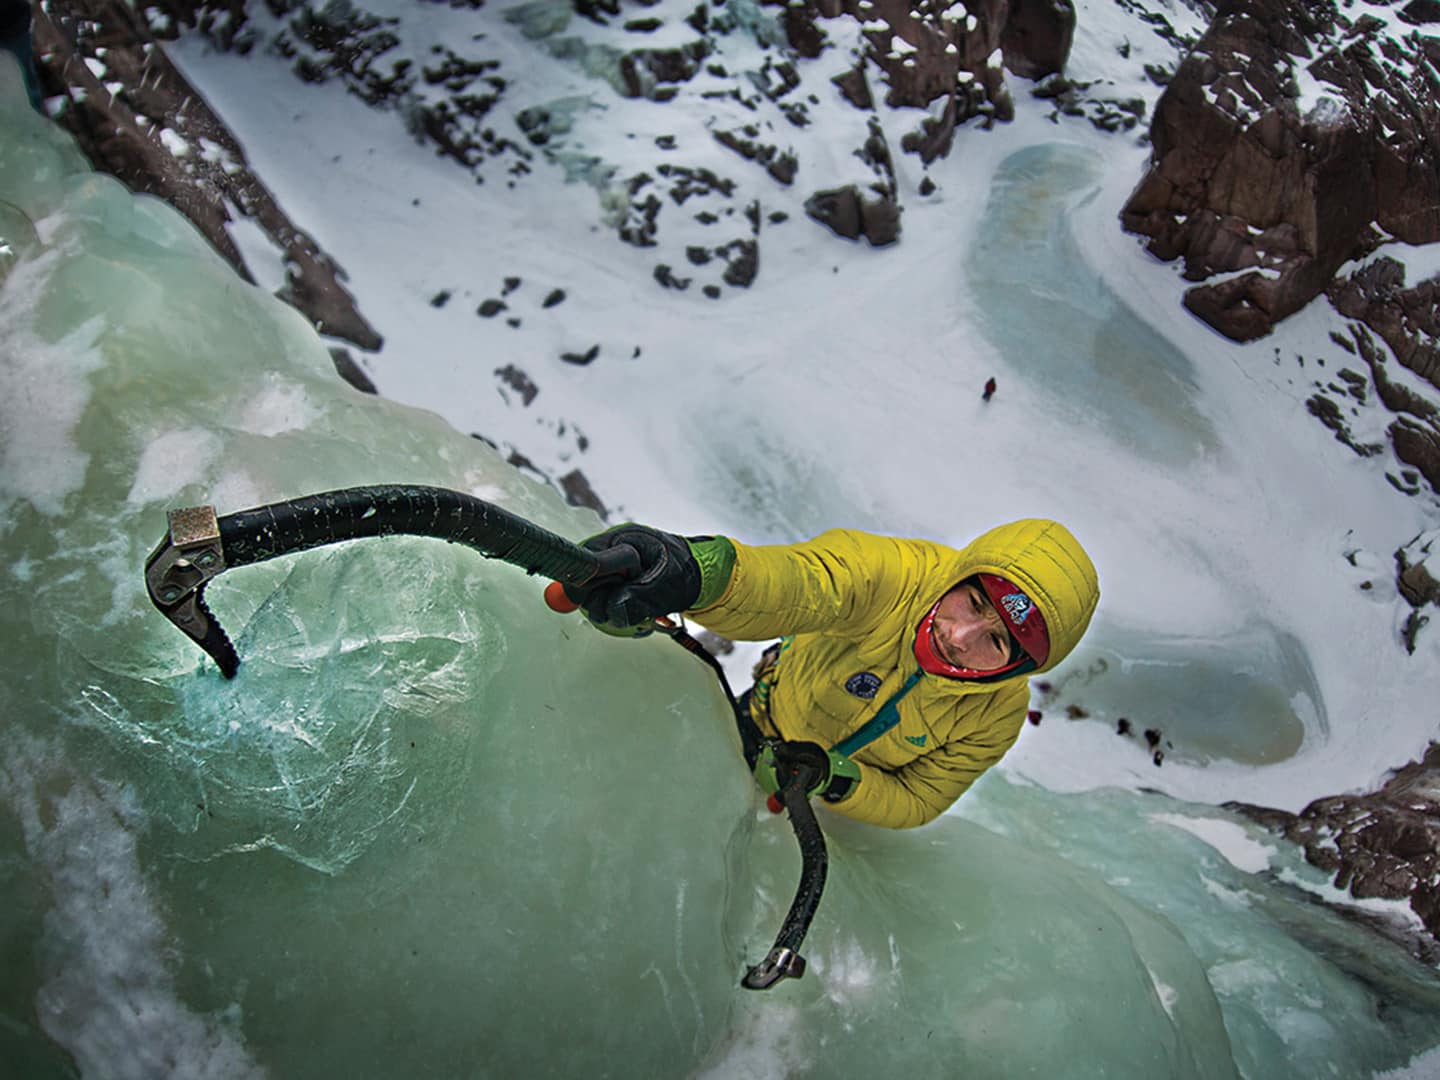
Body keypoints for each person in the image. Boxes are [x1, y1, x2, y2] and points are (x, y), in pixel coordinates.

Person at [562, 519, 1099, 829]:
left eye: (997, 640)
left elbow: (919, 799)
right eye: (973, 600)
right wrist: (696, 573)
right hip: (761, 715)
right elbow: (799, 582)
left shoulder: (993, 716)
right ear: (960, 574)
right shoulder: (895, 577)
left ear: (1019, 667)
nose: (960, 636)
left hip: (812, 786)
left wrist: (835, 778)